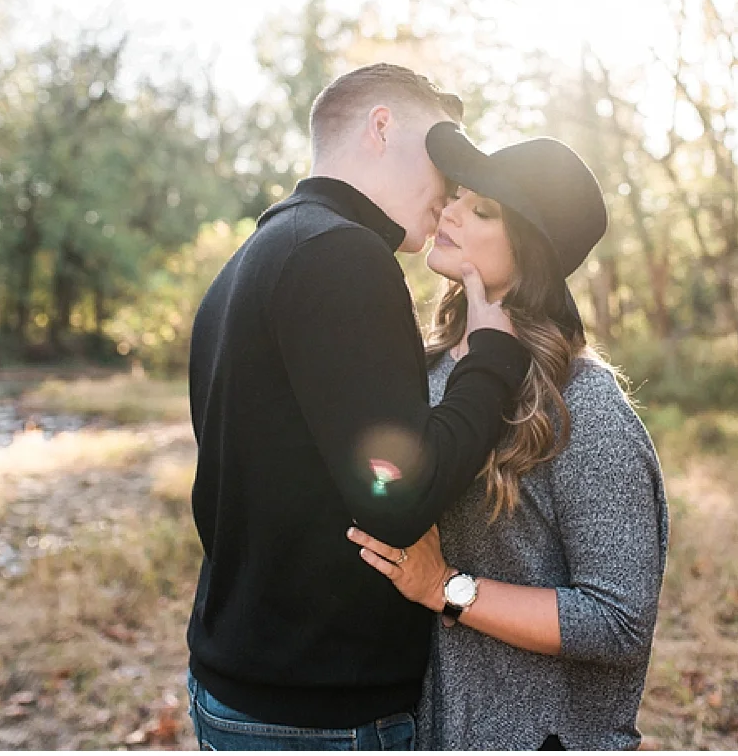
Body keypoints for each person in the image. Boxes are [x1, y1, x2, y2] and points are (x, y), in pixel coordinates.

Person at [185, 64, 534, 751]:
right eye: (442, 154)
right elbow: (396, 501)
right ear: (382, 126)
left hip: (244, 683)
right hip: (321, 714)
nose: (449, 191)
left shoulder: (259, 255)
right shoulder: (342, 257)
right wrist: (492, 362)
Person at [348, 123, 671, 750]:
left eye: (483, 208)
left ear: (528, 254)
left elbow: (620, 622)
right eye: (458, 193)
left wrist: (446, 588)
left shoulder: (583, 405)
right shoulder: (425, 368)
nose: (451, 209)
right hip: (426, 728)